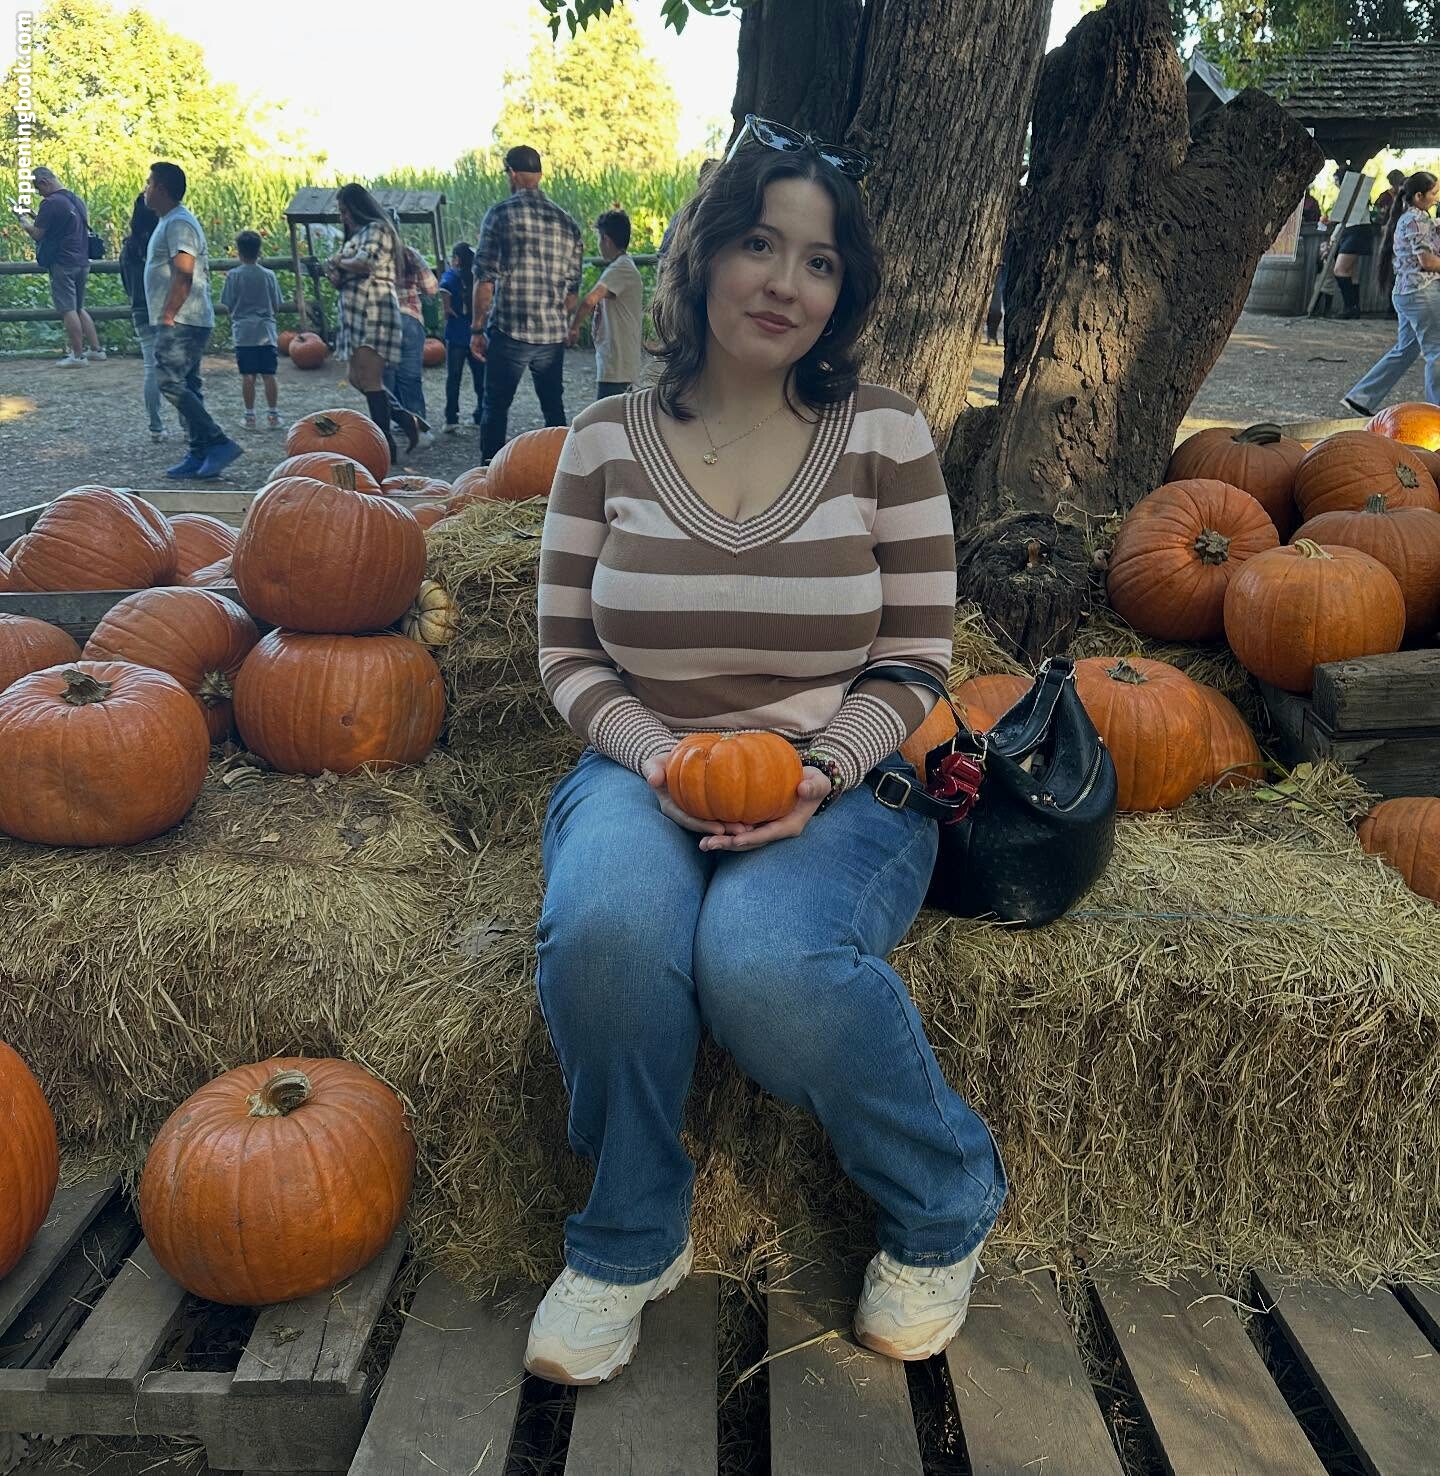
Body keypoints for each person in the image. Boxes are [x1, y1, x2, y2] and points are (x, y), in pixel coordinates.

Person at [524, 118, 1005, 1387]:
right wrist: (656, 759)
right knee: (608, 936)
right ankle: (631, 1238)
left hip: (842, 778)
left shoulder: (886, 436)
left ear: (845, 292)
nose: (787, 282)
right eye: (759, 245)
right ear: (702, 256)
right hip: (641, 766)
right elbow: (567, 654)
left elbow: (915, 658)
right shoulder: (603, 440)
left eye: (821, 261)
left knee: (764, 963)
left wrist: (820, 773)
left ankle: (944, 1200)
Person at [471, 145, 583, 460]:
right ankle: (564, 472)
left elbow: (485, 278)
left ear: (512, 174)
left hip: (511, 330)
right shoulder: (567, 223)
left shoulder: (499, 214)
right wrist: (556, 318)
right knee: (553, 409)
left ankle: (488, 473)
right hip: (551, 336)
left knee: (495, 407)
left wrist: (477, 328)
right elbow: (572, 292)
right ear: (540, 175)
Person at [143, 162, 243, 481]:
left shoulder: (179, 223)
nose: (145, 189)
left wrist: (169, 314)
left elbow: (184, 270)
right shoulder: (169, 221)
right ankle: (199, 452)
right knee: (188, 385)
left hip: (182, 319)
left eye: (149, 183)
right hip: (184, 318)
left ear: (161, 188)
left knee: (169, 381)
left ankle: (217, 442)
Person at [321, 183, 425, 461]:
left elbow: (365, 263)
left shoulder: (377, 229)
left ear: (358, 208)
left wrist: (338, 260)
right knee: (356, 378)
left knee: (370, 379)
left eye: (345, 211)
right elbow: (342, 276)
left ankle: (385, 445)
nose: (342, 217)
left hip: (374, 310)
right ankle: (404, 418)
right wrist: (334, 268)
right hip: (354, 313)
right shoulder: (356, 236)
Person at [1342, 171, 1440, 415]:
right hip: (1422, 292)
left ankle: (1361, 398)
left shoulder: (1407, 217)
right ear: (1419, 196)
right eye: (1434, 193)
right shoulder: (1418, 219)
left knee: (1405, 350)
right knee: (1437, 352)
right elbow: (1427, 261)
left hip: (1405, 293)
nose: (1437, 198)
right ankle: (1436, 412)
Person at [16, 167, 104, 366]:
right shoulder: (75, 199)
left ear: (44, 182)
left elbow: (38, 233)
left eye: (38, 188)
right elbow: (60, 223)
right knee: (79, 307)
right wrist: (31, 213)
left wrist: (22, 220)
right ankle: (96, 349)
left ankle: (78, 355)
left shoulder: (50, 203)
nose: (38, 193)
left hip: (63, 262)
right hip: (82, 260)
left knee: (67, 309)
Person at [568, 208, 643, 399]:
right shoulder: (623, 267)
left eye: (599, 239)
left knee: (607, 413)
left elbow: (589, 300)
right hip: (619, 362)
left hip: (618, 365)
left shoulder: (620, 268)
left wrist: (573, 328)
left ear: (607, 240)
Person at [220, 230, 283, 431]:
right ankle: (273, 415)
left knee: (248, 375)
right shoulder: (269, 275)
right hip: (266, 330)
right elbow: (277, 304)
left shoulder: (233, 276)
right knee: (269, 374)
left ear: (239, 252)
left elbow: (228, 304)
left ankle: (250, 416)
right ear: (259, 251)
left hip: (244, 332)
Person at [383, 214, 438, 443]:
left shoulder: (369, 258)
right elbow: (431, 288)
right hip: (410, 320)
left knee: (386, 377)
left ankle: (391, 425)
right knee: (410, 377)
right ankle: (418, 425)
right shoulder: (410, 254)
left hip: (382, 321)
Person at [119, 193, 168, 441]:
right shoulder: (161, 244)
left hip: (140, 310)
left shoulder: (129, 249)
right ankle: (187, 424)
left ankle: (155, 427)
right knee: (176, 369)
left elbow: (126, 283)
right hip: (165, 309)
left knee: (151, 368)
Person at [439, 243, 484, 432]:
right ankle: (481, 414)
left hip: (456, 333)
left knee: (454, 378)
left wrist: (447, 308)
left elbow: (444, 289)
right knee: (480, 377)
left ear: (457, 259)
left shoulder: (451, 275)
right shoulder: (477, 276)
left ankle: (451, 418)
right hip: (476, 333)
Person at [1326, 167, 1374, 318]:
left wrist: (1333, 232)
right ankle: (1354, 308)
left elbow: (1345, 218)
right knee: (1351, 273)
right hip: (1353, 230)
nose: (1335, 183)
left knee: (1339, 269)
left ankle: (1349, 307)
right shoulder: (1355, 194)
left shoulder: (1356, 194)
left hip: (1357, 230)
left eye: (1336, 180)